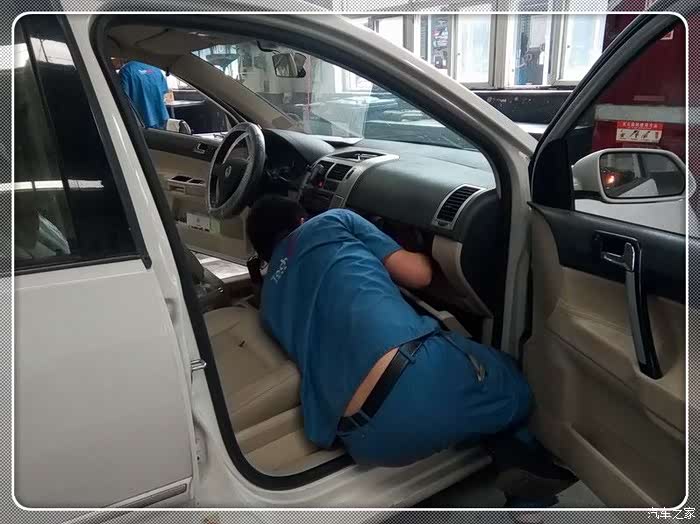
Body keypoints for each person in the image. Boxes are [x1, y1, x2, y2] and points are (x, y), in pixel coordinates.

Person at [245, 195, 575, 505]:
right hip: (413, 389)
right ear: (303, 219)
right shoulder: (332, 220)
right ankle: (530, 499)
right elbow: (420, 276)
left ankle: (480, 428)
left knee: (465, 389)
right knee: (513, 385)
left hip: (360, 438)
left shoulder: (268, 303)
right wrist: (413, 246)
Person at [118, 60, 173, 129]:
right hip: (161, 117)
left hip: (141, 121)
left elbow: (122, 98)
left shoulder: (126, 70)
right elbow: (164, 93)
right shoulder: (156, 69)